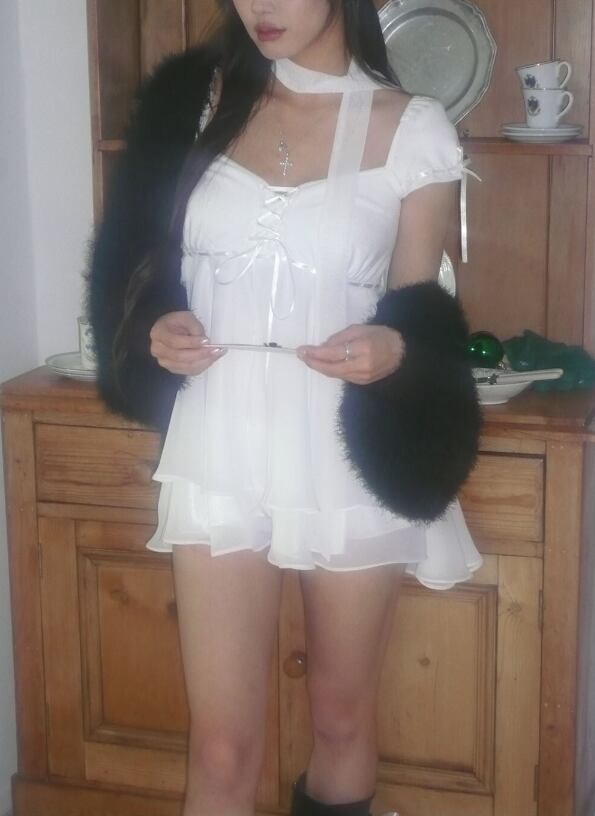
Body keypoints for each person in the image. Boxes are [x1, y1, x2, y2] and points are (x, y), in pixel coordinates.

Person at [89, 1, 482, 814]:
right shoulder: (194, 106)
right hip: (218, 445)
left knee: (339, 717)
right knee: (219, 744)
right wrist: (157, 326)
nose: (259, 5)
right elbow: (138, 269)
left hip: (344, 452)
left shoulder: (413, 129)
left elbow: (422, 315)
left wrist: (393, 349)